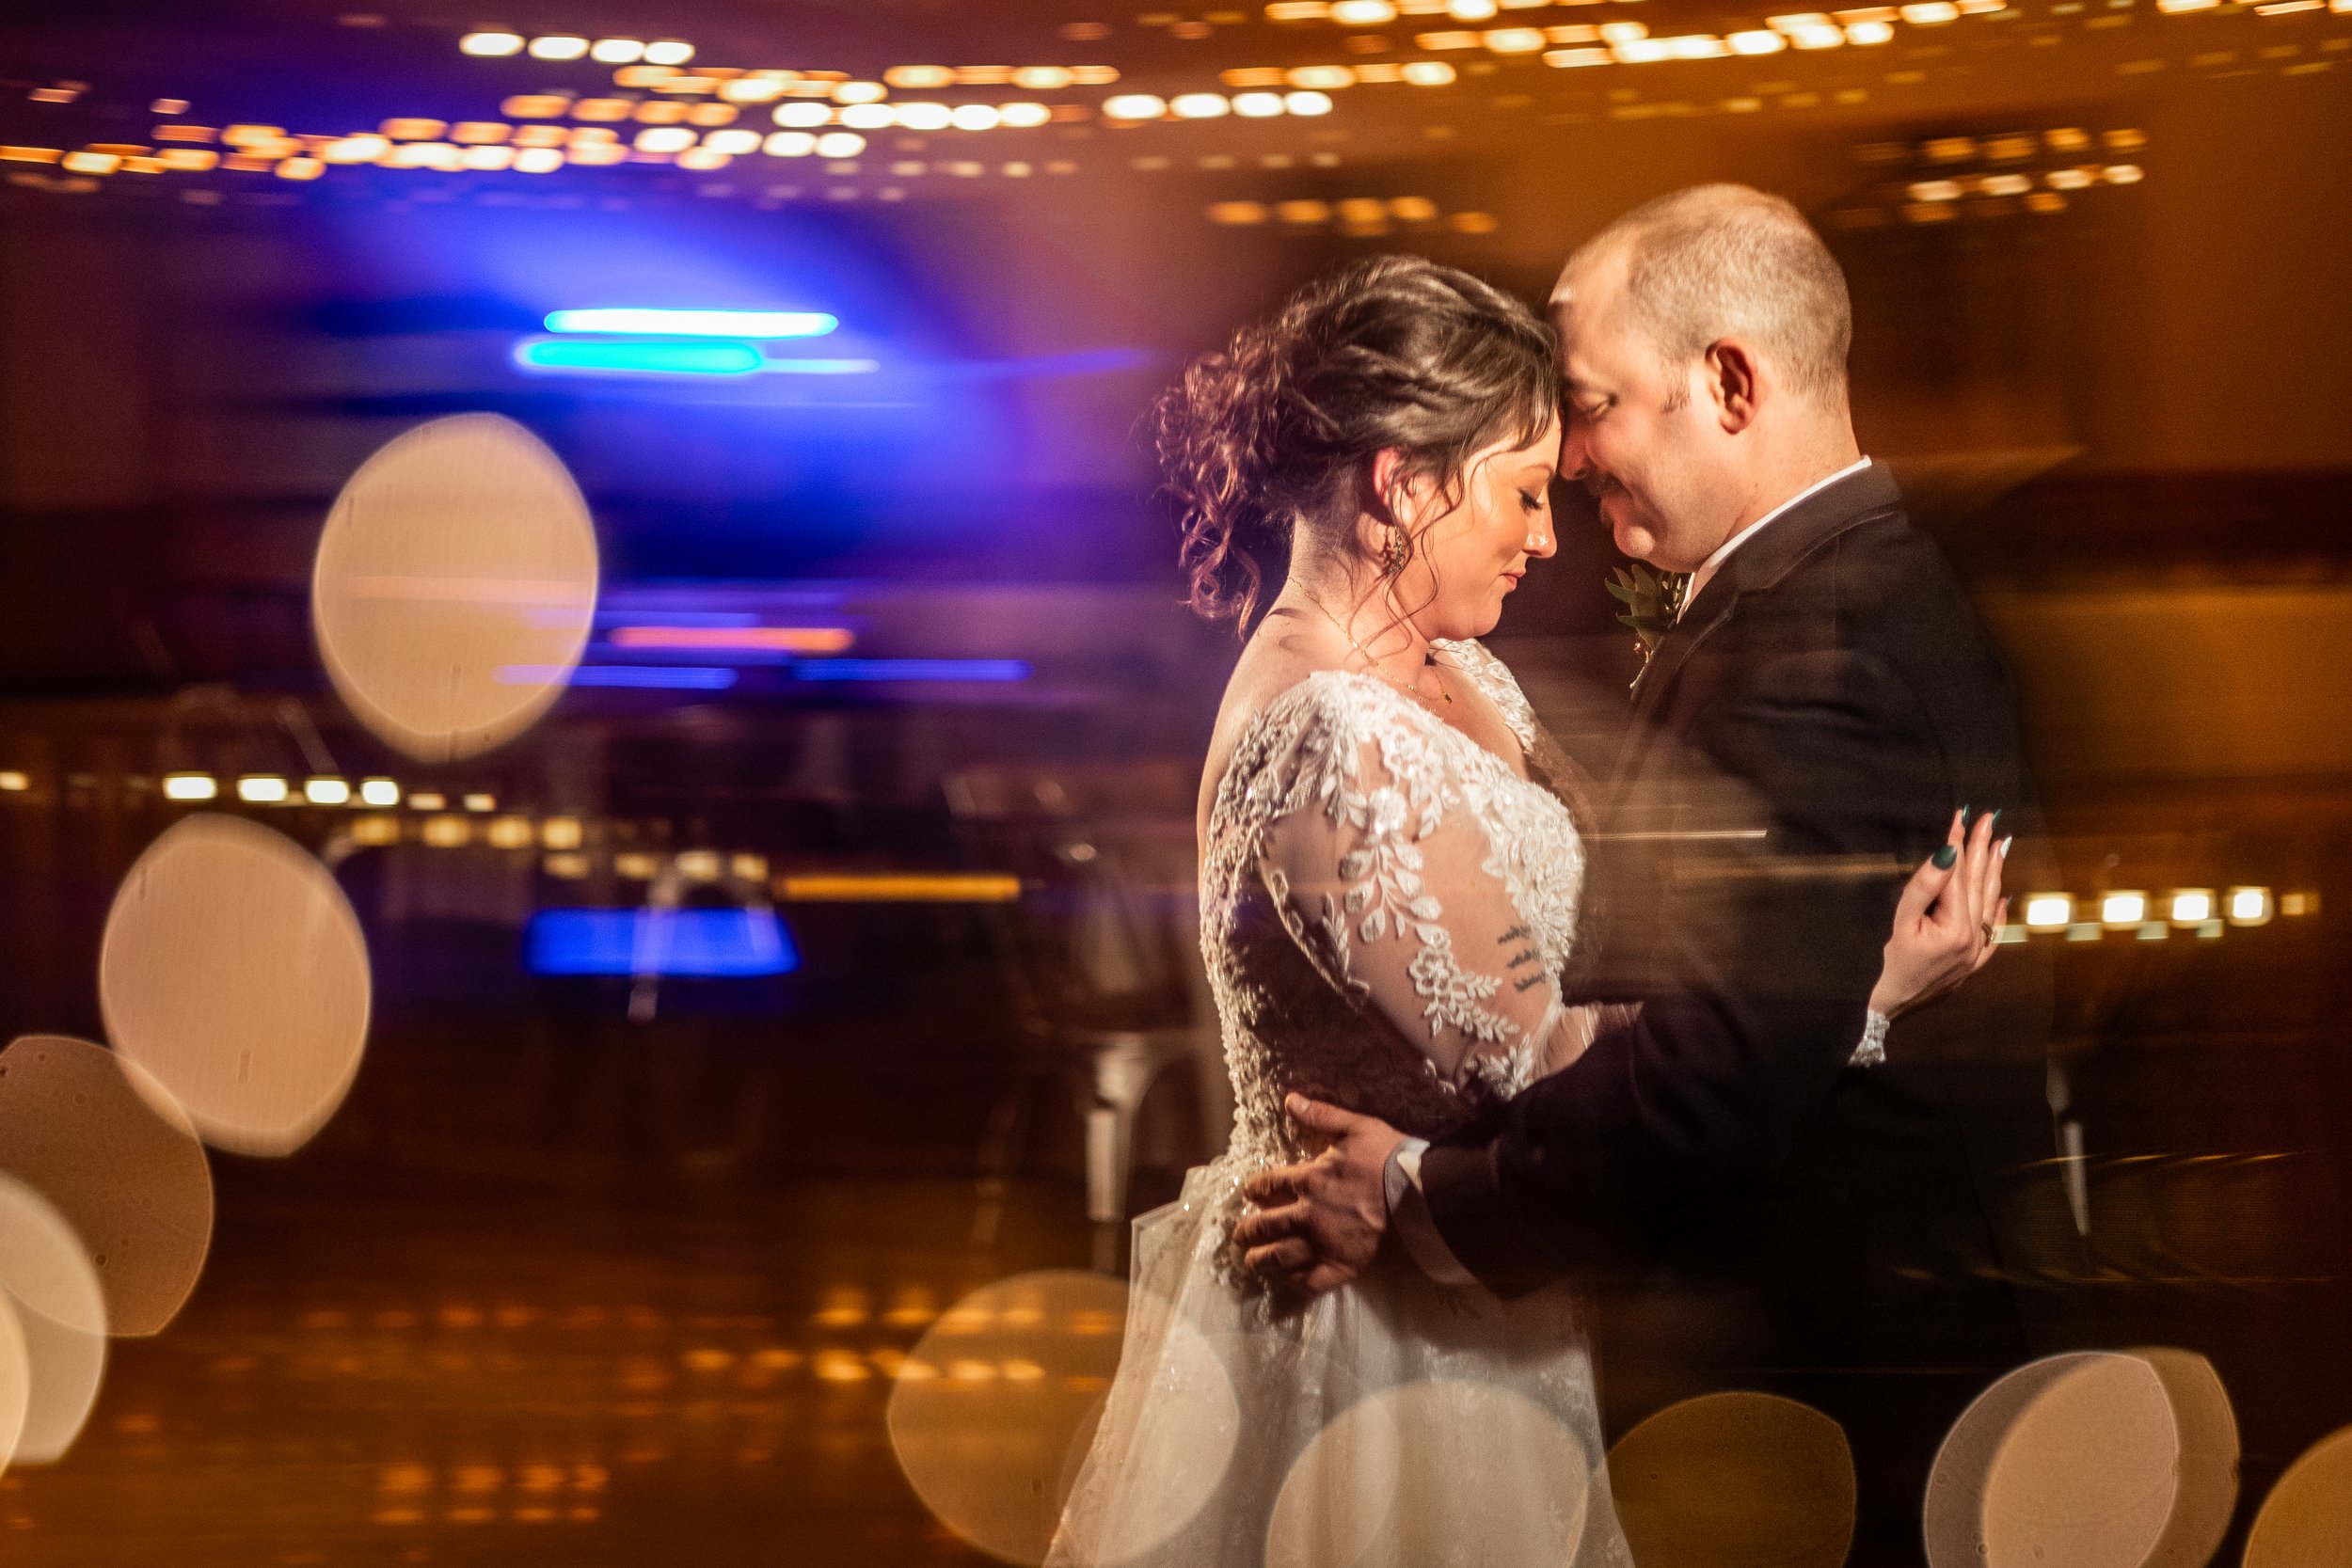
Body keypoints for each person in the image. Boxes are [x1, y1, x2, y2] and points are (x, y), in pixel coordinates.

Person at [1044, 246, 2006, 1566]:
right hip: (1377, 1345)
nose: (1550, 536)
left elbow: (1612, 942)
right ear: (1401, 484)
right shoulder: (1332, 738)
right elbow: (1542, 1065)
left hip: (1488, 1305)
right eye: (1522, 492)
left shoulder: (1465, 677)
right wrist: (1858, 991)